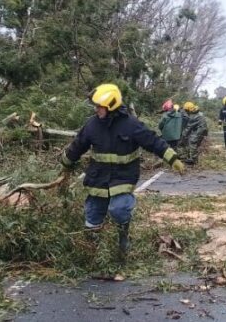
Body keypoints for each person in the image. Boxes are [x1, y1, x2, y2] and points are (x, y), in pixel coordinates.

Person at [60, 84, 185, 259]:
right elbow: (78, 145)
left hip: (123, 177)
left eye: (99, 106)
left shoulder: (131, 124)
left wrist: (172, 158)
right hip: (97, 178)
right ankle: (91, 251)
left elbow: (152, 141)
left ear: (110, 105)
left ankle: (123, 240)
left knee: (119, 209)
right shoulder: (92, 125)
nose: (96, 110)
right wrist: (65, 163)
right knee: (92, 214)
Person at [180, 101, 208, 165]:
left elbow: (188, 127)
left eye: (186, 110)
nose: (186, 111)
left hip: (200, 130)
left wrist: (183, 136)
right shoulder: (198, 112)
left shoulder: (193, 116)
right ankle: (193, 157)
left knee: (192, 141)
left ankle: (193, 159)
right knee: (195, 143)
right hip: (202, 129)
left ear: (189, 109)